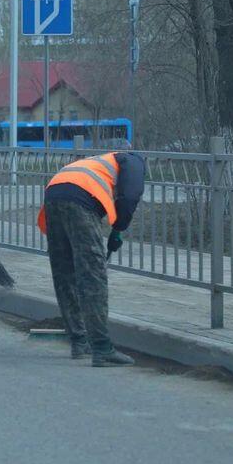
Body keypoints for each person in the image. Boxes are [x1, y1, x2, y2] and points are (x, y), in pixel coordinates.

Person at [37, 151, 145, 366]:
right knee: (92, 274)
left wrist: (116, 230)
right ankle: (102, 348)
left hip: (53, 195)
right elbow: (130, 197)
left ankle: (79, 341)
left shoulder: (101, 161)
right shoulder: (135, 162)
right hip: (79, 199)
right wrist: (118, 228)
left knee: (64, 273)